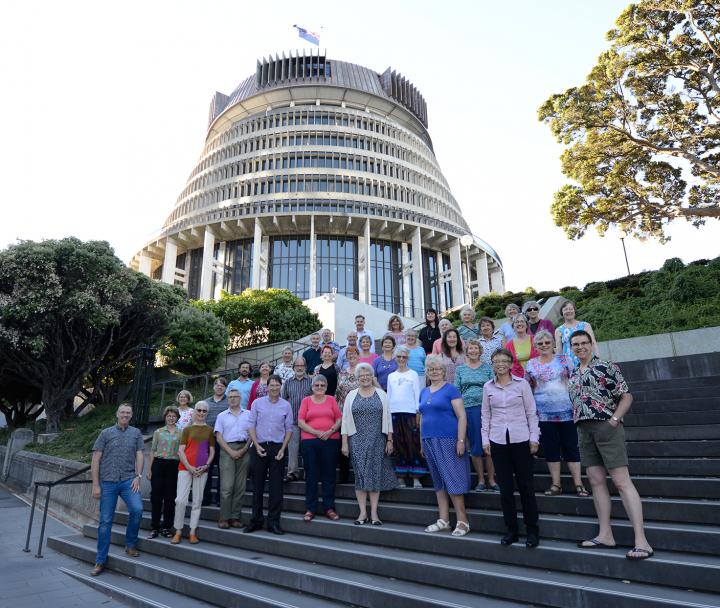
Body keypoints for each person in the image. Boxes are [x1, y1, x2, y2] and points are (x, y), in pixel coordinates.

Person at [568, 330, 653, 560]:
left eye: (584, 343)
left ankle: (641, 541)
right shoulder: (574, 372)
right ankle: (605, 534)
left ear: (591, 344)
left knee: (622, 482)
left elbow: (626, 395)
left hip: (606, 426)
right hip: (583, 430)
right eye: (575, 344)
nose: (580, 347)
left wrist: (614, 419)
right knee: (596, 482)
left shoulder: (606, 366)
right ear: (571, 348)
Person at [482, 349, 540, 548]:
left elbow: (531, 412)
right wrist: (485, 440)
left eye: (503, 361)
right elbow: (485, 415)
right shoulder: (488, 387)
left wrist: (534, 437)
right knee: (505, 489)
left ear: (510, 364)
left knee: (526, 487)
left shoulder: (522, 384)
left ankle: (532, 530)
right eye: (496, 361)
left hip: (521, 439)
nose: (499, 364)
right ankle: (511, 530)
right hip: (498, 440)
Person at [525, 330, 588, 497]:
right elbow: (528, 388)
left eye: (547, 342)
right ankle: (556, 484)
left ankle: (579, 483)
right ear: (535, 346)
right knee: (551, 449)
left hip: (567, 412)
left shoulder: (565, 360)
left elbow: (576, 383)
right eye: (540, 343)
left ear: (553, 343)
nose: (544, 345)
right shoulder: (530, 364)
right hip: (544, 415)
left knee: (571, 448)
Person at [90, 403, 144, 576]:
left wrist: (138, 475)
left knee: (137, 509)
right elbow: (96, 459)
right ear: (117, 413)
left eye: (128, 412)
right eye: (122, 412)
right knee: (105, 521)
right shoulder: (105, 433)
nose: (125, 415)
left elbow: (140, 454)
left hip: (129, 480)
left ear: (131, 415)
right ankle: (100, 560)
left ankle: (130, 544)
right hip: (108, 483)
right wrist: (95, 484)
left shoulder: (136, 433)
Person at [420, 356, 471, 537]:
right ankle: (444, 520)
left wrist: (461, 440)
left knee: (454, 479)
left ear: (443, 371)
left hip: (449, 440)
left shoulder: (451, 390)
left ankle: (463, 521)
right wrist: (421, 442)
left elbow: (462, 416)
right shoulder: (424, 391)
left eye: (437, 368)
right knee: (439, 482)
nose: (434, 371)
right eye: (431, 369)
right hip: (429, 441)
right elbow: (423, 418)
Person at [341, 363, 396, 525]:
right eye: (361, 376)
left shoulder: (381, 394)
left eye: (367, 375)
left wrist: (389, 439)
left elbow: (387, 417)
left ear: (372, 377)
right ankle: (362, 513)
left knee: (374, 474)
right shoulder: (351, 395)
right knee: (360, 476)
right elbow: (345, 420)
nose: (364, 378)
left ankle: (374, 514)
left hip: (377, 439)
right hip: (356, 440)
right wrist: (344, 443)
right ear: (357, 378)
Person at [245, 375, 294, 535]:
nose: (274, 388)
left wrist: (283, 448)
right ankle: (256, 520)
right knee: (257, 486)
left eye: (276, 385)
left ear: (280, 387)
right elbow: (251, 425)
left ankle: (273, 522)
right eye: (271, 385)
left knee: (276, 488)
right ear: (267, 387)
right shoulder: (257, 403)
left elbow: (289, 429)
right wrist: (256, 445)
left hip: (277, 449)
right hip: (259, 447)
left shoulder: (286, 405)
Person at [454, 340, 498, 492]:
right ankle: (480, 479)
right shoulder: (460, 370)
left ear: (480, 351)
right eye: (470, 348)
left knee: (490, 444)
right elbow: (456, 391)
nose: (473, 351)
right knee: (475, 445)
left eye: (476, 348)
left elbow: (494, 386)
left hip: (487, 409)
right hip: (469, 410)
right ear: (467, 351)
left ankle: (492, 480)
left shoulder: (487, 368)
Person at [298, 375, 343, 521]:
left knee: (329, 475)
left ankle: (329, 508)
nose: (319, 387)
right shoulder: (306, 401)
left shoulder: (331, 399)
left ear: (326, 387)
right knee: (311, 476)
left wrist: (330, 431)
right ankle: (310, 508)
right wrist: (316, 432)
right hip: (310, 441)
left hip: (330, 441)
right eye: (316, 385)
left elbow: (339, 418)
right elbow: (300, 421)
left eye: (322, 385)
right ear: (312, 387)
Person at [172, 401, 216, 545]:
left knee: (197, 501)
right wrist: (189, 467)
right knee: (180, 500)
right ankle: (178, 530)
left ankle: (192, 532)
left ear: (207, 413)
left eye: (204, 411)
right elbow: (181, 451)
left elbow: (212, 451)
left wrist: (206, 465)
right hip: (185, 468)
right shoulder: (187, 429)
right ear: (194, 411)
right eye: (199, 410)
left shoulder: (210, 430)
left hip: (202, 470)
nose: (201, 413)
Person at [386, 346, 426, 488]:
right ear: (395, 358)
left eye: (404, 357)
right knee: (399, 445)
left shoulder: (413, 374)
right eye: (399, 357)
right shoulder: (391, 376)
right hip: (395, 413)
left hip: (410, 413)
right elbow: (388, 397)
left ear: (407, 358)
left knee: (412, 444)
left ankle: (416, 478)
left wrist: (417, 412)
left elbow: (417, 394)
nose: (401, 359)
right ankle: (401, 477)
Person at [214, 388, 252, 529]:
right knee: (227, 487)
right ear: (227, 399)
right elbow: (218, 437)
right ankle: (224, 518)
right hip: (226, 450)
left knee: (240, 487)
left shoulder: (248, 414)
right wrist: (230, 451)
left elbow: (251, 434)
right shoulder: (222, 416)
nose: (233, 399)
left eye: (235, 396)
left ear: (240, 398)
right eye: (230, 397)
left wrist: (244, 449)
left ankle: (235, 517)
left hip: (244, 449)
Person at [146, 405, 181, 539]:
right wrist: (149, 469)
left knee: (170, 498)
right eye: (169, 416)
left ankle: (166, 526)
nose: (171, 418)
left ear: (177, 418)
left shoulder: (181, 433)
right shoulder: (158, 432)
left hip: (174, 465)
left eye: (173, 416)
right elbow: (153, 451)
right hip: (159, 465)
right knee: (156, 497)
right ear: (165, 417)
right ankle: (155, 527)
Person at [280, 357, 313, 483]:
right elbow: (283, 401)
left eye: (302, 365)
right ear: (293, 367)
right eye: (297, 365)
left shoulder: (311, 381)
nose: (299, 368)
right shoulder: (288, 382)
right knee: (293, 448)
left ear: (305, 367)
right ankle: (292, 472)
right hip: (292, 421)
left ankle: (308, 472)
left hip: (308, 422)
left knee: (307, 449)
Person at [335, 346, 361, 483]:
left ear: (358, 355)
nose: (351, 356)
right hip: (343, 412)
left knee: (357, 445)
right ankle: (344, 476)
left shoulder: (362, 371)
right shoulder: (342, 372)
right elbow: (337, 393)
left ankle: (359, 476)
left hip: (359, 414)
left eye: (354, 354)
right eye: (348, 354)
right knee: (343, 445)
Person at [202, 377, 228, 506]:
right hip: (208, 440)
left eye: (222, 386)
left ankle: (219, 498)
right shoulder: (206, 403)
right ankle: (205, 498)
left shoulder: (229, 401)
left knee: (222, 471)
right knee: (207, 470)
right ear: (213, 387)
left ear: (225, 388)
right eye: (217, 385)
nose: (219, 387)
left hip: (223, 440)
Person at [555, 300, 598, 366]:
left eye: (571, 309)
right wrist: (560, 367)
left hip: (587, 360)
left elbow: (593, 343)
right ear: (562, 312)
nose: (568, 311)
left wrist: (597, 359)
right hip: (569, 364)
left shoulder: (585, 325)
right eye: (565, 309)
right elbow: (559, 351)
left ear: (574, 311)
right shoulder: (559, 330)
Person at [505, 314, 538, 378]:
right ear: (513, 326)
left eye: (522, 321)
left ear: (526, 325)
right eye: (517, 322)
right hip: (518, 379)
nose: (519, 324)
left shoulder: (536, 340)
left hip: (537, 376)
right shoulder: (508, 345)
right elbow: (507, 364)